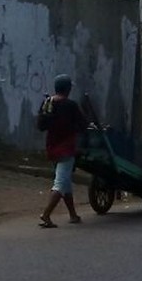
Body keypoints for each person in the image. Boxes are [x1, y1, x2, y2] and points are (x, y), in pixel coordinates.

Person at [36, 73, 87, 226]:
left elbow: (40, 126)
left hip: (52, 147)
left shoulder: (48, 102)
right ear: (68, 89)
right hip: (66, 148)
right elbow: (83, 125)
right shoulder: (70, 105)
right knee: (60, 183)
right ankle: (46, 215)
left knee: (65, 182)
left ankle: (73, 215)